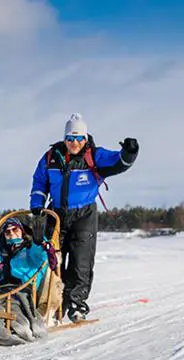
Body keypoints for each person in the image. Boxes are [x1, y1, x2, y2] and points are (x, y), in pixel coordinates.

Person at [30, 113, 138, 322]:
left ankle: (77, 305)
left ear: (85, 138)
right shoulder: (51, 157)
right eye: (70, 138)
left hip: (84, 215)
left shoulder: (94, 156)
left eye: (79, 138)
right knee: (53, 262)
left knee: (81, 262)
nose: (74, 143)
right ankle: (54, 304)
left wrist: (129, 152)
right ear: (64, 139)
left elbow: (119, 162)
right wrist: (37, 206)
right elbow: (39, 182)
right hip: (56, 214)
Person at [0, 216, 54, 294]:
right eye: (7, 232)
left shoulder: (29, 249)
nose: (11, 233)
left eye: (15, 230)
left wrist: (38, 244)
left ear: (22, 231)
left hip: (23, 290)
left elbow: (40, 257)